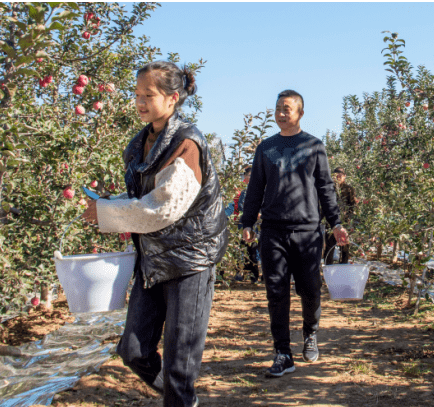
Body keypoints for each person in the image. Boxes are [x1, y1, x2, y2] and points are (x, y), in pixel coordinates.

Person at [81, 61, 228, 407]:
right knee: (133, 351)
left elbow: (163, 207)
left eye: (149, 95)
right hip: (155, 259)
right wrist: (109, 203)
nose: (140, 102)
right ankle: (180, 397)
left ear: (173, 98)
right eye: (137, 95)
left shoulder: (186, 143)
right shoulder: (139, 144)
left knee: (181, 359)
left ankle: (180, 396)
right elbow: (140, 198)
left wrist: (107, 214)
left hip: (191, 259)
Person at [240, 89, 349, 377]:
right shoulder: (266, 148)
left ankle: (310, 333)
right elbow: (255, 189)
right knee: (276, 292)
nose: (281, 112)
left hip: (307, 230)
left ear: (300, 113)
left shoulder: (313, 146)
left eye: (287, 108)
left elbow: (326, 187)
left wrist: (335, 223)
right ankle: (282, 352)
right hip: (273, 230)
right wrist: (247, 222)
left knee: (310, 290)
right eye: (278, 107)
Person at [325, 167, 357, 265]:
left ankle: (343, 266)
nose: (338, 177)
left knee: (345, 246)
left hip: (345, 221)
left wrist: (350, 220)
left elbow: (352, 205)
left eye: (340, 175)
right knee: (329, 246)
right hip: (331, 221)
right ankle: (328, 268)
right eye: (336, 176)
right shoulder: (329, 188)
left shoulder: (349, 189)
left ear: (344, 176)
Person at [234, 166, 260, 283]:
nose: (248, 178)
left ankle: (255, 275)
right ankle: (244, 273)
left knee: (254, 249)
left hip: (257, 224)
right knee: (243, 249)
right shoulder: (243, 191)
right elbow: (240, 205)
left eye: (250, 175)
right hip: (244, 223)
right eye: (247, 175)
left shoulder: (260, 189)